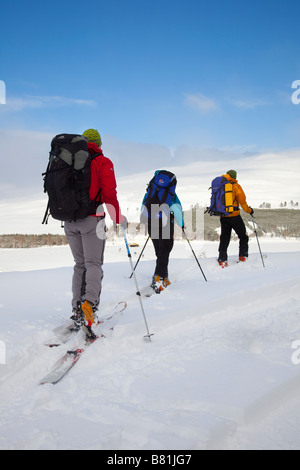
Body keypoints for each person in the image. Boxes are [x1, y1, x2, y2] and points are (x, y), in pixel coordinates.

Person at [64, 128, 127, 336]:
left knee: (79, 264)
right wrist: (118, 218)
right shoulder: (102, 162)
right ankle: (89, 308)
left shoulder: (68, 160)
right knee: (93, 264)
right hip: (93, 220)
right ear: (98, 144)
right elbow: (109, 194)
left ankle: (77, 308)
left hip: (70, 221)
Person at [140, 170, 184, 293]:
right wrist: (182, 225)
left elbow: (143, 208)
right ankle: (159, 278)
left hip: (151, 225)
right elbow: (176, 209)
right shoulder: (171, 194)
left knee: (160, 252)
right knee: (165, 251)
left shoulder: (149, 192)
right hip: (165, 225)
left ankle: (163, 277)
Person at [218, 170, 253, 266]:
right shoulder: (236, 186)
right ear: (235, 177)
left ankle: (222, 259)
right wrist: (250, 211)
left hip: (223, 216)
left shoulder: (221, 185)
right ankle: (242, 256)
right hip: (234, 216)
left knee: (224, 238)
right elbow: (243, 203)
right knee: (243, 236)